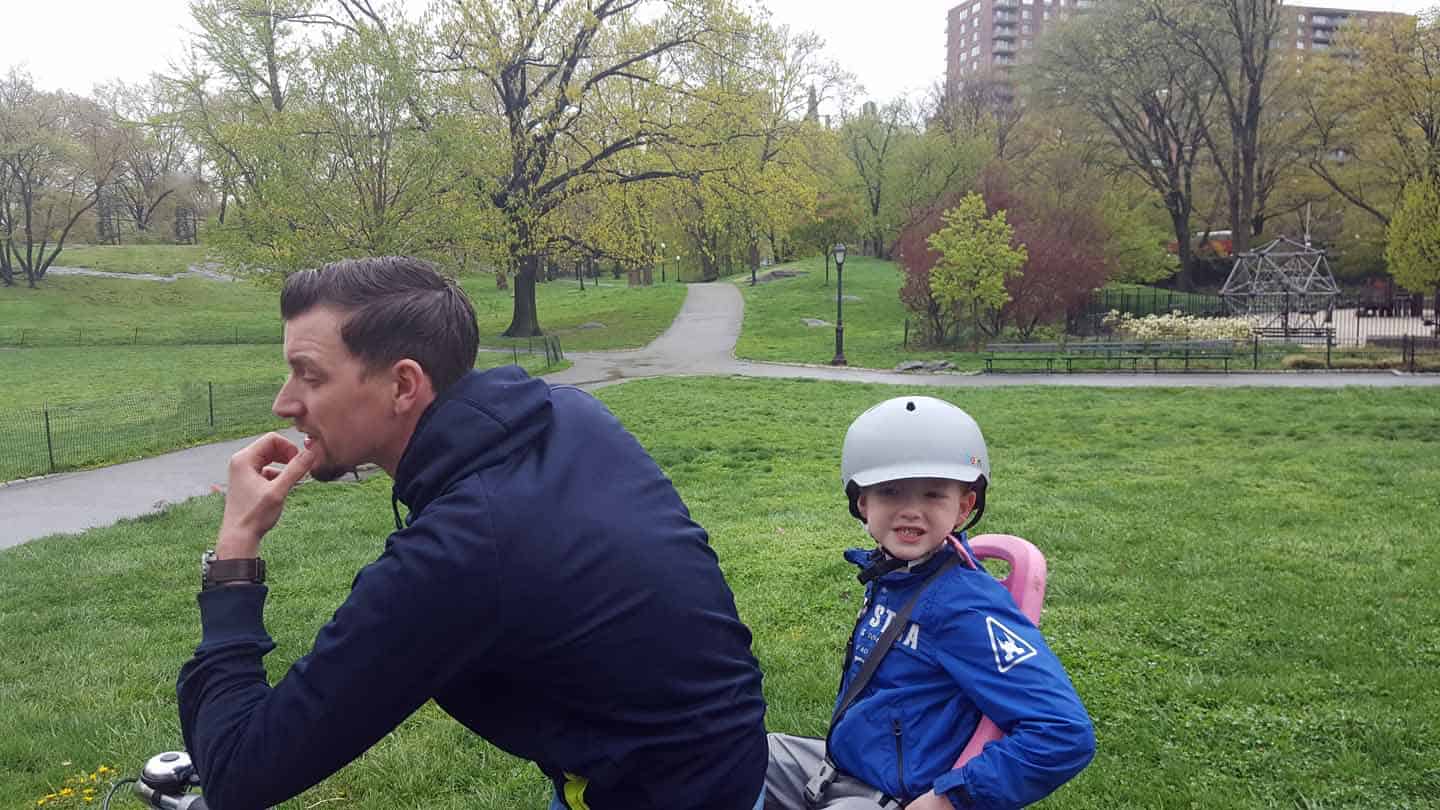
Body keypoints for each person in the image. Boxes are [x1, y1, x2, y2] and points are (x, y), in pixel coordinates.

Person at [177, 256, 768, 810]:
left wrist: (236, 548)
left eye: (309, 375)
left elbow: (238, 772)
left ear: (404, 385)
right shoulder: (565, 413)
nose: (285, 403)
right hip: (728, 763)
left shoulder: (462, 550)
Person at [765, 396, 1095, 810]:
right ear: (862, 502)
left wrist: (950, 800)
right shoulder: (895, 578)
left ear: (964, 506)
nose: (911, 512)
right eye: (890, 491)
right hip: (843, 766)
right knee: (734, 751)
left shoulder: (963, 607)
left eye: (933, 494)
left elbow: (1063, 732)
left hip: (894, 797)